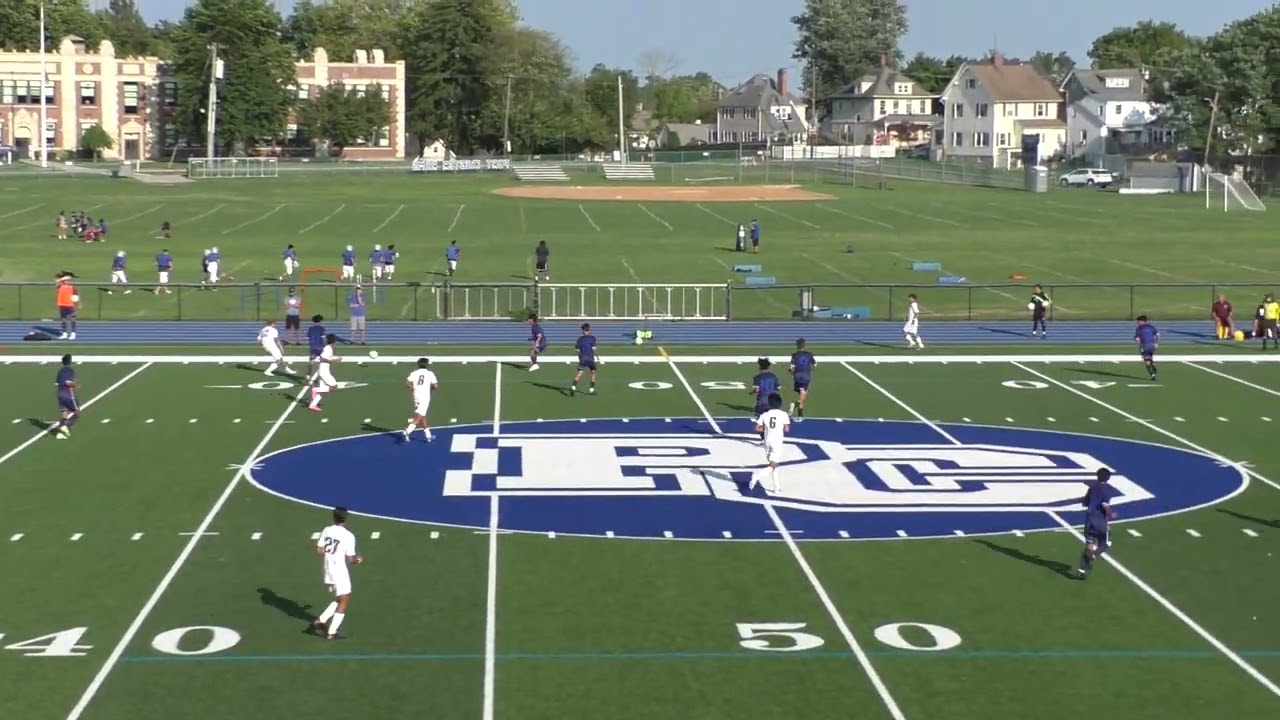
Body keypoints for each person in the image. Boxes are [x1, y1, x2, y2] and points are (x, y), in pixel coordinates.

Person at [311, 506, 362, 640]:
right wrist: (358, 560)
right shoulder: (348, 536)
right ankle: (331, 632)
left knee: (339, 598)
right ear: (345, 518)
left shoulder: (326, 530)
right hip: (339, 571)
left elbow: (318, 550)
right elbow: (350, 559)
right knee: (345, 599)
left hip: (328, 569)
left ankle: (320, 621)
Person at [1076, 468, 1116, 579]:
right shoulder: (1107, 490)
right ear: (1108, 478)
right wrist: (1110, 514)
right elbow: (1105, 505)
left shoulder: (1092, 488)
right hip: (1100, 520)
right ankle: (1095, 553)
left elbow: (1084, 503)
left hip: (1089, 520)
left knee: (1089, 544)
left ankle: (1082, 569)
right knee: (1107, 542)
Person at [751, 393, 790, 493]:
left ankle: (776, 487)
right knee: (773, 464)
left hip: (767, 441)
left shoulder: (765, 415)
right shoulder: (783, 414)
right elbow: (787, 429)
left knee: (773, 464)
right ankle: (758, 475)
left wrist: (766, 427)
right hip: (777, 442)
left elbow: (757, 428)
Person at [403, 357, 439, 442]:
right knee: (419, 416)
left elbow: (407, 383)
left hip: (416, 396)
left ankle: (428, 435)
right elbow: (436, 385)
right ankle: (407, 431)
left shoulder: (414, 373)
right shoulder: (430, 373)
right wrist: (431, 388)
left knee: (422, 415)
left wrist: (412, 388)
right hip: (425, 397)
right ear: (427, 365)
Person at [48, 353, 80, 439]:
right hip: (68, 395)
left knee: (64, 414)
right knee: (77, 413)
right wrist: (75, 385)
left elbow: (57, 383)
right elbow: (67, 382)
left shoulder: (60, 371)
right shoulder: (69, 370)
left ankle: (58, 430)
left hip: (60, 394)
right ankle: (66, 426)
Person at [309, 333, 341, 412]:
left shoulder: (329, 348)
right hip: (324, 371)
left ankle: (312, 405)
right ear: (333, 341)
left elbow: (326, 358)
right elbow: (322, 359)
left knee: (322, 390)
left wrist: (335, 358)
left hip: (323, 370)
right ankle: (315, 390)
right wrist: (334, 360)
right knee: (334, 387)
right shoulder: (328, 348)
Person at [788, 338, 816, 420]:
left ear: (797, 346)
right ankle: (797, 410)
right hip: (806, 376)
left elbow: (791, 367)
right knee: (803, 393)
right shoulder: (809, 354)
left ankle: (799, 412)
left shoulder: (794, 355)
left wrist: (790, 371)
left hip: (797, 376)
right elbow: (814, 364)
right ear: (805, 345)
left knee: (802, 394)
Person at [570, 323, 598, 396]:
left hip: (583, 359)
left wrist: (580, 358)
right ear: (589, 330)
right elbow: (594, 349)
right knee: (593, 372)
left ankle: (573, 386)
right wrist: (596, 357)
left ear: (582, 331)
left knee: (580, 373)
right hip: (590, 359)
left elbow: (578, 350)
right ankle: (591, 389)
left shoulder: (580, 339)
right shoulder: (593, 338)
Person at [750, 358, 780, 424]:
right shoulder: (773, 376)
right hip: (771, 401)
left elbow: (756, 390)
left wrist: (751, 392)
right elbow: (778, 388)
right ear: (768, 367)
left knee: (760, 421)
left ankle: (762, 433)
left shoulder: (757, 377)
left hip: (761, 401)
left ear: (760, 367)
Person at [1134, 315, 1159, 380]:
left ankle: (1152, 374)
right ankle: (1153, 365)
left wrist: (1140, 348)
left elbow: (1137, 340)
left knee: (1147, 363)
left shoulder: (1139, 329)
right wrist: (1156, 343)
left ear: (1142, 321)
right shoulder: (1152, 327)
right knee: (1150, 358)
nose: (1137, 323)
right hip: (1152, 346)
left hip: (1145, 346)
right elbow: (1158, 335)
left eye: (1138, 321)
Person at [55, 272, 79, 340]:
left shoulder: (72, 287)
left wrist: (77, 304)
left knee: (72, 319)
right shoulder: (60, 285)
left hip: (70, 305)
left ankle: (73, 333)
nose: (66, 281)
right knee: (63, 319)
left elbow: (76, 296)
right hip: (62, 304)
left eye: (67, 280)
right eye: (65, 280)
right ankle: (65, 333)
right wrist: (62, 279)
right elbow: (56, 281)